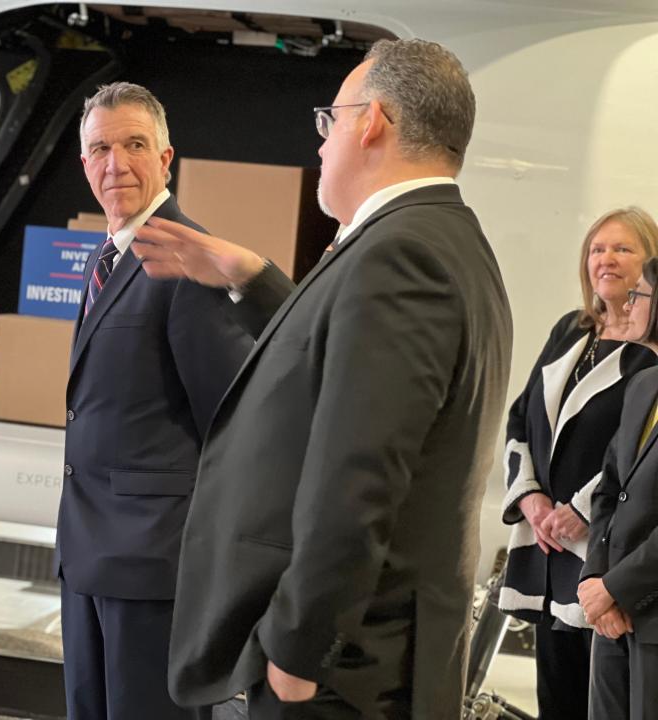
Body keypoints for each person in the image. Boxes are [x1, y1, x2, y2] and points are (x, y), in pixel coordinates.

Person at [132, 39, 512, 719]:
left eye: (329, 120)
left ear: (371, 123)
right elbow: (347, 368)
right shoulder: (437, 239)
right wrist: (250, 279)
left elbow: (360, 476)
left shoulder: (401, 256)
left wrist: (296, 655)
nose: (322, 143)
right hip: (364, 663)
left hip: (343, 677)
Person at [57, 82, 253, 720]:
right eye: (100, 149)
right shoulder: (107, 255)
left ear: (166, 158)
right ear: (84, 163)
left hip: (153, 566)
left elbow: (229, 422)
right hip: (89, 554)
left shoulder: (186, 259)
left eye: (134, 145)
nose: (116, 164)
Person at [498, 207, 658, 720]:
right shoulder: (570, 328)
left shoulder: (648, 353)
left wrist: (581, 510)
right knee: (555, 693)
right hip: (546, 545)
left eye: (622, 248)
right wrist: (531, 498)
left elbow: (625, 460)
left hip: (605, 554)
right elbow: (522, 417)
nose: (605, 259)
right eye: (596, 248)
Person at [579, 255, 658, 720]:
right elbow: (610, 490)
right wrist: (594, 578)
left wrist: (617, 587)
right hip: (612, 621)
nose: (627, 306)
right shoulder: (643, 383)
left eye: (639, 295)